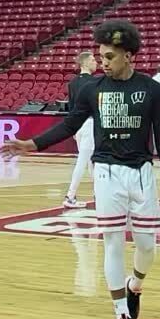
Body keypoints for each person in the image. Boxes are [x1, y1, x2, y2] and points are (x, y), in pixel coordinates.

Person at [2, 20, 160, 319]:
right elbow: (69, 125)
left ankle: (134, 286)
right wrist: (33, 144)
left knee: (147, 247)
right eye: (101, 56)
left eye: (110, 56)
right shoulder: (91, 89)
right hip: (107, 173)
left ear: (128, 55)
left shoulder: (151, 90)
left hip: (141, 172)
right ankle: (123, 317)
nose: (104, 62)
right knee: (111, 242)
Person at [63, 51, 97, 208]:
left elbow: (71, 108)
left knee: (91, 161)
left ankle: (98, 193)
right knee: (84, 160)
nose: (95, 62)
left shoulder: (72, 83)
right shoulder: (95, 82)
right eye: (92, 60)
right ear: (84, 63)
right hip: (89, 123)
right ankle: (70, 195)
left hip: (78, 125)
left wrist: (73, 129)